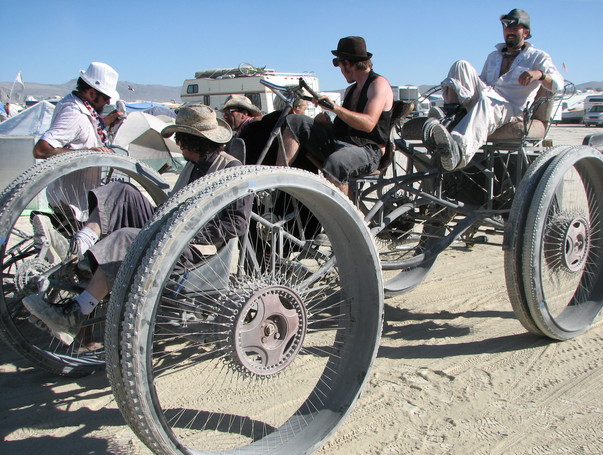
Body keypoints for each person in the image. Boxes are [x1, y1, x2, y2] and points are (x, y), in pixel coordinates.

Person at [22, 104, 252, 346]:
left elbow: (236, 224)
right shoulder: (192, 164)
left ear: (195, 141)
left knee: (127, 239)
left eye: (181, 140)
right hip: (169, 231)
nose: (178, 144)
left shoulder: (231, 169)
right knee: (121, 191)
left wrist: (181, 227)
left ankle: (75, 313)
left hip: (196, 248)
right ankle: (80, 247)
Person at [426, 8, 564, 171]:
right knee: (460, 65)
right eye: (506, 28)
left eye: (514, 28)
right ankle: (451, 114)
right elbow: (482, 82)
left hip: (510, 106)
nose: (509, 32)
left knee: (487, 102)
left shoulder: (537, 57)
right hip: (487, 96)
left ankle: (458, 152)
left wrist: (540, 74)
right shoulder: (494, 56)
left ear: (525, 32)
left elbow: (558, 84)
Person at [276, 36, 394, 196]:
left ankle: (342, 220)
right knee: (295, 121)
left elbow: (368, 124)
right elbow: (345, 128)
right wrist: (325, 124)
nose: (340, 71)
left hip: (368, 151)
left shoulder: (378, 84)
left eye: (339, 65)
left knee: (336, 163)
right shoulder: (351, 90)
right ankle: (276, 185)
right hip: (344, 144)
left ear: (347, 64)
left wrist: (335, 108)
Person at [30, 62, 125, 262]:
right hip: (72, 202)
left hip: (76, 199)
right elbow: (41, 149)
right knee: (80, 258)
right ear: (91, 93)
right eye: (105, 98)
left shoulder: (81, 108)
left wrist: (107, 122)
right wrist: (86, 153)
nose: (107, 102)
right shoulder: (73, 113)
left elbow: (85, 131)